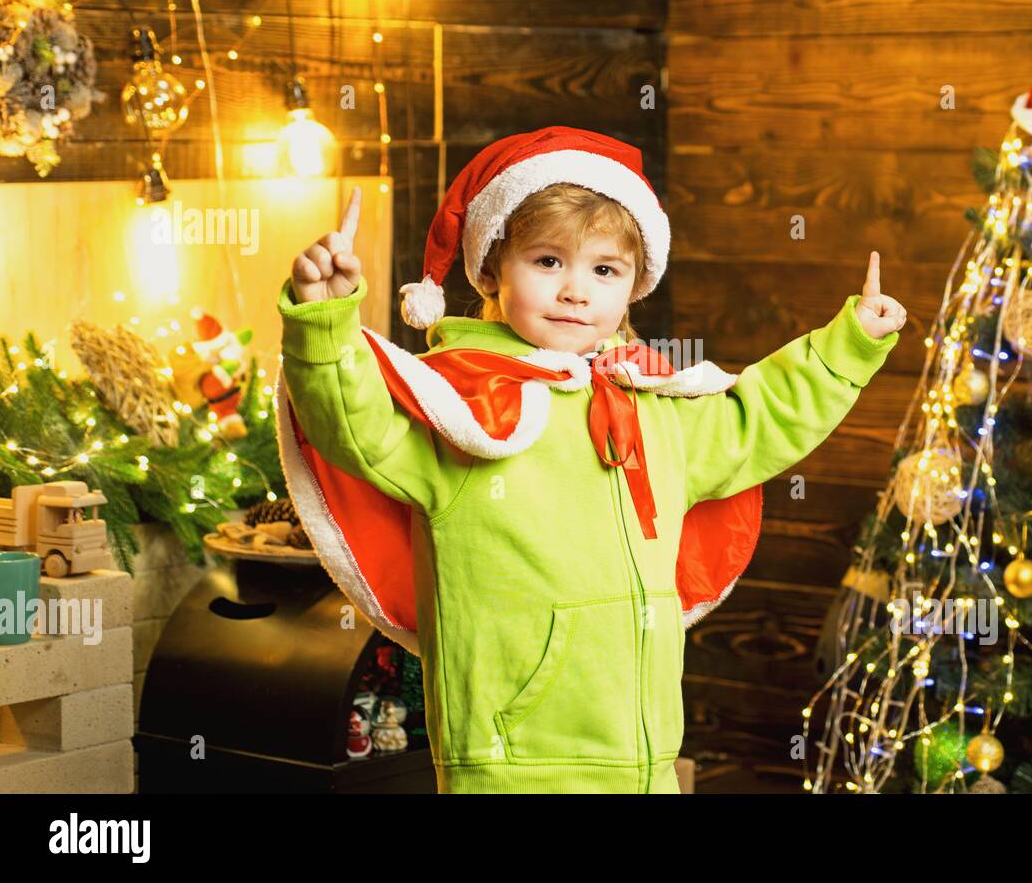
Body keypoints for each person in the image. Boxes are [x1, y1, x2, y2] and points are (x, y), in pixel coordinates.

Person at [275, 125, 906, 793]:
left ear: (634, 285)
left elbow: (762, 417)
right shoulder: (458, 408)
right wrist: (325, 321)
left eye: (604, 269)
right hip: (508, 763)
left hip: (645, 760)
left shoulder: (656, 405)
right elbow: (355, 423)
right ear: (492, 267)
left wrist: (850, 343)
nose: (577, 290)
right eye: (548, 261)